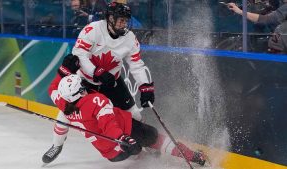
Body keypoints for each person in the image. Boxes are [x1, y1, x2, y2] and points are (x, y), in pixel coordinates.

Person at [42, 1, 155, 164]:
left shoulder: (130, 39)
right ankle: (56, 145)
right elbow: (78, 54)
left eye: (126, 20)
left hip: (112, 82)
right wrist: (97, 72)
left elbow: (137, 65)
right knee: (65, 114)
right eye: (120, 20)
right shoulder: (92, 30)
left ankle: (148, 143)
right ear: (109, 18)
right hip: (84, 82)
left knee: (134, 114)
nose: (124, 24)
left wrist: (146, 87)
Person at [43, 74, 206, 165]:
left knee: (139, 148)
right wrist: (123, 138)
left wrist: (63, 71)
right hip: (125, 136)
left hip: (111, 154)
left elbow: (53, 89)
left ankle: (144, 154)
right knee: (155, 137)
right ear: (79, 92)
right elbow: (108, 124)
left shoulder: (64, 103)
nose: (85, 87)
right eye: (82, 87)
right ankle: (194, 157)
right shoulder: (96, 101)